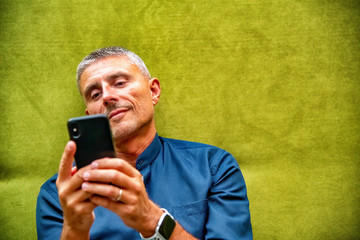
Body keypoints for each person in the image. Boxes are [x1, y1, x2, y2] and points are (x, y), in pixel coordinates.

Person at [36, 46, 252, 240]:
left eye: (119, 83)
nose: (107, 97)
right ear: (89, 113)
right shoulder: (59, 195)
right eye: (95, 94)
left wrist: (154, 220)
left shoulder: (214, 167)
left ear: (153, 91)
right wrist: (74, 230)